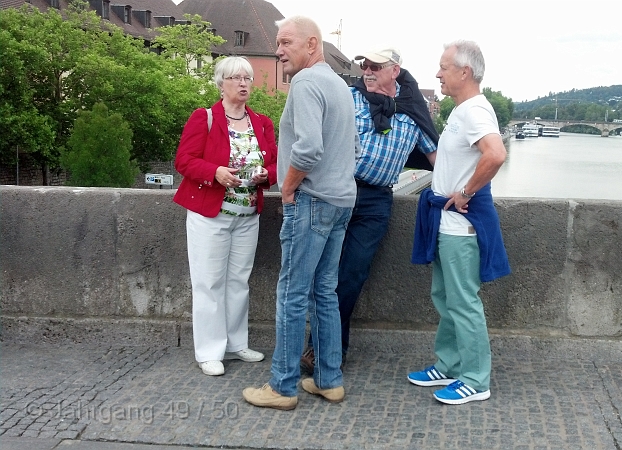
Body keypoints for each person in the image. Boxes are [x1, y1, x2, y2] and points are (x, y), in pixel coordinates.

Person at [242, 16, 359, 411]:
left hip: (312, 201)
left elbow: (307, 149)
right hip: (342, 201)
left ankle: (282, 387)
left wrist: (287, 186)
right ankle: (329, 380)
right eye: (277, 42)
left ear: (312, 45)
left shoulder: (307, 83)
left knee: (292, 294)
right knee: (324, 292)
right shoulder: (340, 85)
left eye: (285, 42)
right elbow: (352, 149)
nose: (278, 50)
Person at [300, 47, 438, 374]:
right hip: (339, 189)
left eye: (377, 65)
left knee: (351, 276)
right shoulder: (350, 98)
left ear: (396, 71)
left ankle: (325, 348)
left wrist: (468, 189)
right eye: (366, 65)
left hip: (376, 201)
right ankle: (325, 350)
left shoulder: (414, 112)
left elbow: (438, 161)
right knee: (322, 273)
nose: (368, 71)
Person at [407, 40, 510, 405]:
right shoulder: (462, 110)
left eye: (444, 67)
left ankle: (476, 379)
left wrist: (465, 191)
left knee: (463, 302)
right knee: (445, 297)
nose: (438, 73)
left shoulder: (475, 111)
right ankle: (449, 364)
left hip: (459, 227)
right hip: (445, 224)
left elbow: (496, 154)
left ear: (464, 72)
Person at [173, 56, 278, 377]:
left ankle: (235, 343)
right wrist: (215, 172)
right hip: (210, 215)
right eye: (235, 78)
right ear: (221, 84)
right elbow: (184, 161)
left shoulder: (261, 122)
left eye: (247, 78)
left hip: (247, 215)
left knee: (238, 282)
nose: (243, 83)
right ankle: (209, 350)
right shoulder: (203, 118)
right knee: (209, 282)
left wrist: (266, 175)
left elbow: (276, 164)